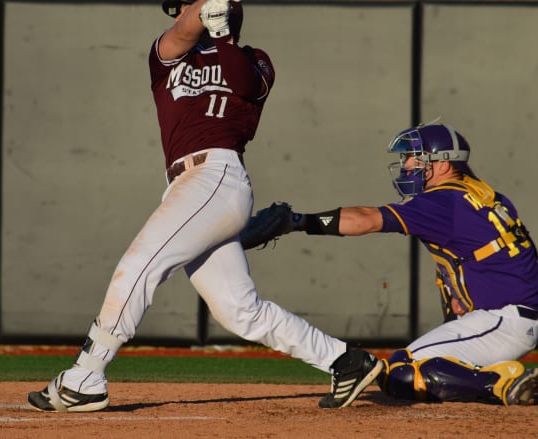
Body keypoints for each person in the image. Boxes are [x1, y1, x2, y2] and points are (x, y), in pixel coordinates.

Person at [27, 0, 382, 412]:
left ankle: (87, 373)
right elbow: (182, 30)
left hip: (217, 176)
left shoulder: (255, 61)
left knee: (140, 263)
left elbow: (244, 84)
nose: (178, 13)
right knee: (239, 311)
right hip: (186, 184)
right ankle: (346, 361)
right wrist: (206, 12)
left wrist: (223, 30)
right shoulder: (170, 56)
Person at [249, 122, 538, 405]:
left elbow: (365, 219)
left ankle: (503, 383)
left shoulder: (444, 201)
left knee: (399, 373)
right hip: (513, 318)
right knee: (409, 370)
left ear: (443, 164)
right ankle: (495, 382)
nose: (408, 164)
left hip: (505, 320)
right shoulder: (482, 196)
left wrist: (300, 222)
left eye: (416, 157)